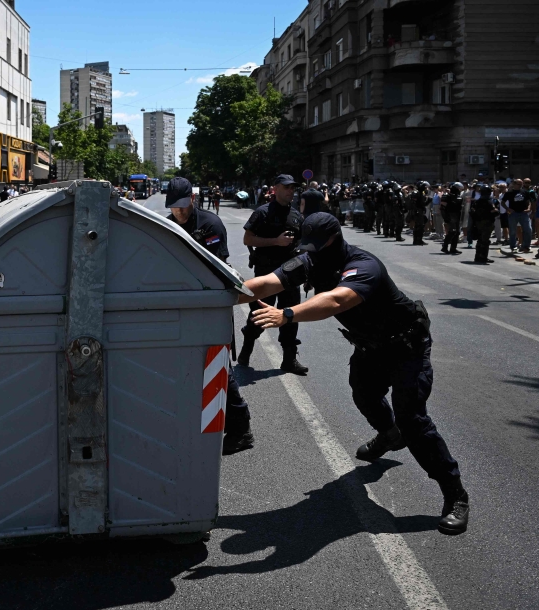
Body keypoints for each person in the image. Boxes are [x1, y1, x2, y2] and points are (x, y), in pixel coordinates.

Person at [240, 212, 470, 538]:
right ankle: (389, 435)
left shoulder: (363, 265)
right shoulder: (310, 259)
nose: (312, 252)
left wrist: (287, 314)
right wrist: (217, 296)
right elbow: (267, 282)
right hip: (370, 349)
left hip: (407, 348)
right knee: (364, 394)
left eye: (318, 246)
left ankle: (455, 494)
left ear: (334, 239)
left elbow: (338, 299)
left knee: (413, 420)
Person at [165, 178, 253, 455]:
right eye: (174, 207)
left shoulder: (210, 224)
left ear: (191, 199)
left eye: (182, 206)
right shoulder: (167, 226)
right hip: (182, 305)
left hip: (211, 304)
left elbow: (215, 268)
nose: (178, 212)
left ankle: (241, 430)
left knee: (219, 369)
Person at [238, 173, 308, 376]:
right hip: (266, 273)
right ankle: (246, 351)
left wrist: (307, 273)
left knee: (290, 316)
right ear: (275, 189)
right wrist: (275, 241)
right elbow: (247, 239)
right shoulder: (262, 212)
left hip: (290, 274)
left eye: (292, 188)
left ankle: (289, 360)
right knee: (258, 315)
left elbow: (302, 245)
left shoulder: (296, 215)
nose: (290, 191)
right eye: (286, 187)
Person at [470, 185, 498, 264]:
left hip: (478, 222)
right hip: (487, 222)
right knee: (485, 240)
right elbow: (494, 211)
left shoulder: (477, 202)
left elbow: (472, 212)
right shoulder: (489, 201)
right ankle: (483, 257)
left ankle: (478, 256)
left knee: (480, 240)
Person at [502, 179, 532, 253]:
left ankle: (526, 246)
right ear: (514, 184)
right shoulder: (509, 193)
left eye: (521, 184)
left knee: (528, 230)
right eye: (519, 184)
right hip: (513, 214)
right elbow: (503, 202)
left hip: (524, 213)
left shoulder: (525, 192)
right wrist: (508, 209)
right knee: (512, 231)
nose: (521, 185)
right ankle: (513, 246)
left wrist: (528, 208)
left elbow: (529, 202)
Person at [440, 182, 463, 255]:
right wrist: (445, 217)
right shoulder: (446, 196)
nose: (459, 190)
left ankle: (453, 248)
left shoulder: (458, 196)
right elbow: (442, 208)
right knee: (452, 231)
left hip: (457, 215)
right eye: (458, 188)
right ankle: (445, 246)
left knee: (457, 232)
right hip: (450, 215)